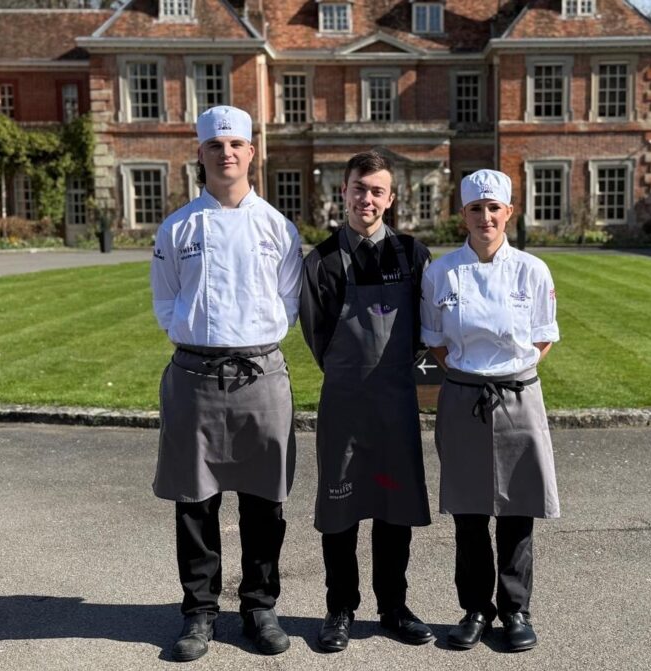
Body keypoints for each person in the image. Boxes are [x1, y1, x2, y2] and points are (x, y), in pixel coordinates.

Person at [149, 105, 302, 662]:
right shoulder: (180, 226)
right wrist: (191, 335)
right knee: (195, 502)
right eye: (216, 146)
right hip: (195, 374)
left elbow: (288, 299)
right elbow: (165, 299)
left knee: (266, 499)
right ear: (201, 154)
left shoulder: (278, 228)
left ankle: (260, 605)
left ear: (252, 152)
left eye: (236, 144)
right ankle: (198, 611)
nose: (227, 154)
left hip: (261, 374)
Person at [419, 169, 560, 653]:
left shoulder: (532, 271)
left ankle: (516, 609)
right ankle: (476, 608)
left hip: (519, 397)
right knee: (470, 511)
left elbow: (542, 337)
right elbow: (436, 342)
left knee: (518, 509)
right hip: (463, 398)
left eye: (493, 208)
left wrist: (510, 374)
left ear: (508, 213)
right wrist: (471, 376)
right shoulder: (440, 273)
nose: (485, 217)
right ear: (463, 215)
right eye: (476, 209)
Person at [299, 151, 434, 652]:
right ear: (344, 191)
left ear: (391, 198)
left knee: (394, 506)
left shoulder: (414, 257)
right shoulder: (322, 261)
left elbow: (424, 331)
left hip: (397, 403)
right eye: (360, 188)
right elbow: (318, 336)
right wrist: (353, 373)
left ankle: (393, 605)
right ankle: (340, 608)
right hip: (345, 402)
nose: (367, 199)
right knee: (341, 507)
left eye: (378, 191)